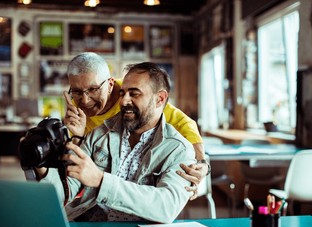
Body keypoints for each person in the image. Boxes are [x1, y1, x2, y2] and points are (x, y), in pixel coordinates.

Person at [36, 62, 196, 223]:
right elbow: (67, 189)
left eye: (134, 94)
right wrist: (39, 164)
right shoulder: (99, 134)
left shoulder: (179, 150)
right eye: (122, 93)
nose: (124, 101)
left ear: (160, 99)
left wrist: (101, 180)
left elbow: (166, 207)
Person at [62, 52, 210, 197]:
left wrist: (202, 163)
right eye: (77, 91)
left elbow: (184, 123)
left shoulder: (131, 94)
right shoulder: (75, 107)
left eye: (93, 90)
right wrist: (76, 136)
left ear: (110, 84)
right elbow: (79, 164)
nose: (85, 100)